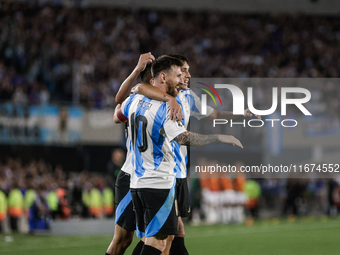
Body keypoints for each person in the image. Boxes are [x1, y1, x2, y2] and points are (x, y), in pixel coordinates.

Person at [116, 56, 243, 255]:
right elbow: (182, 137)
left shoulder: (137, 99)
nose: (186, 76)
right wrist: (219, 137)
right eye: (180, 72)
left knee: (170, 234)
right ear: (163, 78)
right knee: (152, 241)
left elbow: (119, 109)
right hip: (159, 179)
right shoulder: (165, 107)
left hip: (142, 180)